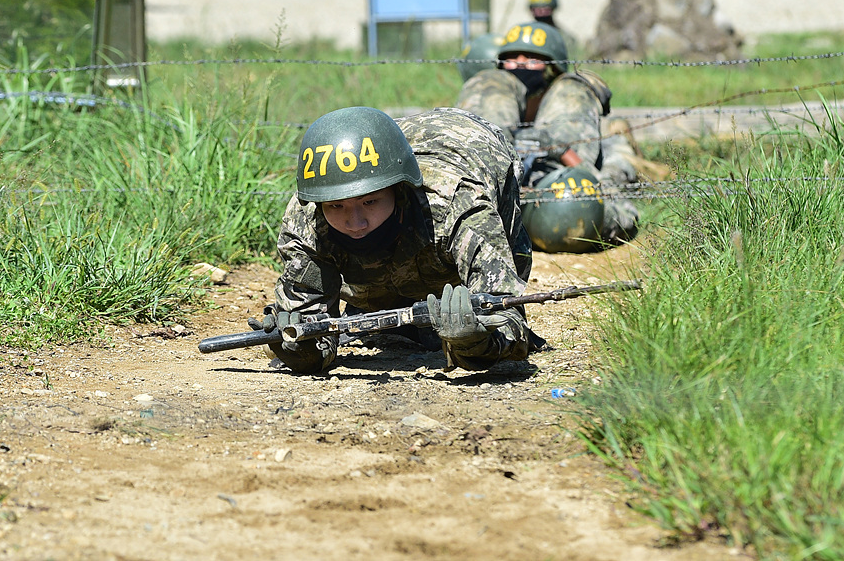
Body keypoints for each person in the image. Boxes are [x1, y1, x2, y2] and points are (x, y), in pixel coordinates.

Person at [251, 106, 541, 375]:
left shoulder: (459, 205)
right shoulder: (306, 219)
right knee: (376, 304)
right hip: (388, 158)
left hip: (475, 144)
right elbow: (313, 324)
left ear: (399, 191)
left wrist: (476, 344)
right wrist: (302, 349)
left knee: (475, 303)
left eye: (370, 202)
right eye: (336, 206)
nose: (355, 222)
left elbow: (509, 322)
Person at [456, 20, 639, 248]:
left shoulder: (569, 102)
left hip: (559, 192)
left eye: (532, 59)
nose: (521, 64)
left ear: (552, 68)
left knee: (571, 210)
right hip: (497, 194)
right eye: (513, 58)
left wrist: (560, 150)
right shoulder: (496, 91)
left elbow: (598, 169)